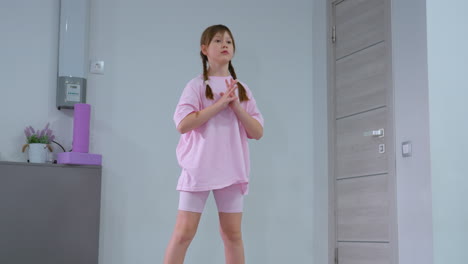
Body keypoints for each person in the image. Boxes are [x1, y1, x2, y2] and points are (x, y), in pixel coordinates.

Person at [163, 24, 264, 264]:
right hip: (198, 168)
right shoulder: (196, 86)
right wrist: (219, 105)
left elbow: (257, 131)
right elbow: (183, 124)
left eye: (229, 41)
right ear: (204, 49)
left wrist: (236, 106)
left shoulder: (242, 89)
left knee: (232, 235)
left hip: (232, 170)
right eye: (218, 41)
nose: (225, 45)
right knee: (183, 233)